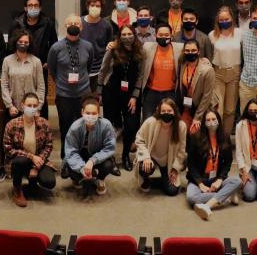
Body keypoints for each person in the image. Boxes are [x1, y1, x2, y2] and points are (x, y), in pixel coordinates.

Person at [0, 30, 45, 182]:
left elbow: (41, 86)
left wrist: (37, 108)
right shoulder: (7, 61)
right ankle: (5, 168)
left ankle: (30, 166)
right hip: (14, 107)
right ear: (15, 42)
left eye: (26, 42)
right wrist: (9, 105)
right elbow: (4, 84)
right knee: (8, 140)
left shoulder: (36, 61)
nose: (23, 44)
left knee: (30, 139)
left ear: (30, 44)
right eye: (20, 41)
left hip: (31, 108)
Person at [48, 15, 96, 159]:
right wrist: (61, 83)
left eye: (77, 23)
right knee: (66, 127)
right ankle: (66, 157)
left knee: (85, 126)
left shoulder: (88, 46)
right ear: (65, 26)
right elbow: (52, 68)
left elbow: (89, 67)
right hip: (64, 95)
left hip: (84, 94)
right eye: (70, 23)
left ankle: (83, 155)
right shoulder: (56, 47)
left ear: (81, 27)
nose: (74, 25)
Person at [97, 25, 142, 171]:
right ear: (119, 36)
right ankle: (110, 157)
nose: (127, 36)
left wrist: (135, 96)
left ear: (134, 35)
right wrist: (99, 92)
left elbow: (141, 76)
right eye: (124, 34)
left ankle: (125, 156)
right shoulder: (113, 49)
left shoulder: (140, 51)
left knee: (130, 126)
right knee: (109, 127)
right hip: (111, 92)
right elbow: (103, 70)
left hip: (130, 96)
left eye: (130, 34)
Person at [186, 109, 241, 220]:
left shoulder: (225, 137)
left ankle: (207, 206)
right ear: (204, 122)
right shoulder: (195, 138)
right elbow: (191, 164)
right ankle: (226, 195)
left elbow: (228, 162)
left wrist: (220, 179)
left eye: (213, 119)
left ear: (218, 120)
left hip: (216, 178)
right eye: (208, 120)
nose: (211, 122)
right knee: (192, 198)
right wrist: (200, 184)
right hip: (199, 179)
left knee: (237, 181)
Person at [3, 92, 56, 206]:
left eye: (34, 106)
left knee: (49, 182)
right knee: (20, 160)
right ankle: (17, 189)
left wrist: (36, 167)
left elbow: (49, 146)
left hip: (39, 161)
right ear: (22, 106)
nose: (32, 108)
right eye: (29, 105)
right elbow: (8, 149)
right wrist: (31, 157)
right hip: (20, 161)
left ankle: (32, 184)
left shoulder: (44, 123)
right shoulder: (12, 125)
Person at [11, 0, 58, 119]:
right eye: (30, 5)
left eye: (36, 5)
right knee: (20, 95)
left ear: (40, 8)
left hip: (40, 65)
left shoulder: (48, 23)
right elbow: (12, 45)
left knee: (40, 96)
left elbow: (54, 45)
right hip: (20, 64)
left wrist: (49, 61)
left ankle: (41, 127)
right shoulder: (17, 23)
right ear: (25, 8)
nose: (33, 8)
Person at [64, 96, 116, 195]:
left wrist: (93, 160)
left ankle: (100, 179)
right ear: (82, 112)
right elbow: (71, 151)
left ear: (99, 114)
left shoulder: (106, 125)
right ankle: (78, 178)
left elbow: (109, 148)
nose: (90, 116)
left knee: (108, 164)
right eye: (87, 113)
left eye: (94, 113)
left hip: (97, 155)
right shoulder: (75, 127)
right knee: (70, 166)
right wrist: (81, 167)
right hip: (81, 155)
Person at [135, 98, 187, 196]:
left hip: (168, 160)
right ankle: (146, 179)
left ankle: (161, 180)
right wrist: (146, 157)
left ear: (174, 112)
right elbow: (139, 138)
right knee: (143, 169)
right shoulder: (150, 122)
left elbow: (182, 150)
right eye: (163, 111)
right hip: (152, 158)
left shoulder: (181, 126)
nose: (166, 113)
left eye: (169, 111)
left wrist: (175, 169)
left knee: (172, 191)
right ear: (159, 112)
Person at [137, 24, 183, 117]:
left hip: (171, 93)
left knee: (170, 122)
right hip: (151, 92)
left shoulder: (180, 48)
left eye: (166, 35)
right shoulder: (147, 47)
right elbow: (133, 50)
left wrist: (203, 60)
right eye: (160, 35)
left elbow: (193, 54)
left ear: (171, 35)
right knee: (148, 121)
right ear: (155, 35)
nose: (163, 37)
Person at [210, 6, 242, 134]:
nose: (224, 21)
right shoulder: (212, 35)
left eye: (227, 18)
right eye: (221, 19)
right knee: (218, 108)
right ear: (218, 20)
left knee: (230, 110)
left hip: (234, 74)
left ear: (232, 19)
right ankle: (215, 137)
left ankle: (225, 138)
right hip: (218, 74)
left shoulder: (240, 33)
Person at [178, 39, 215, 135]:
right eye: (187, 51)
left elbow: (207, 97)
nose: (190, 53)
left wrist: (197, 118)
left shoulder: (207, 70)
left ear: (199, 52)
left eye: (193, 51)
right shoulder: (182, 64)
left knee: (194, 132)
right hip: (187, 106)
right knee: (181, 130)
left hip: (202, 108)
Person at [80, 0, 113, 91]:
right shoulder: (79, 22)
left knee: (95, 102)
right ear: (88, 7)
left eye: (98, 6)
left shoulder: (107, 25)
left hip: (99, 71)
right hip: (81, 70)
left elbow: (109, 46)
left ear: (101, 8)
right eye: (92, 5)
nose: (95, 8)